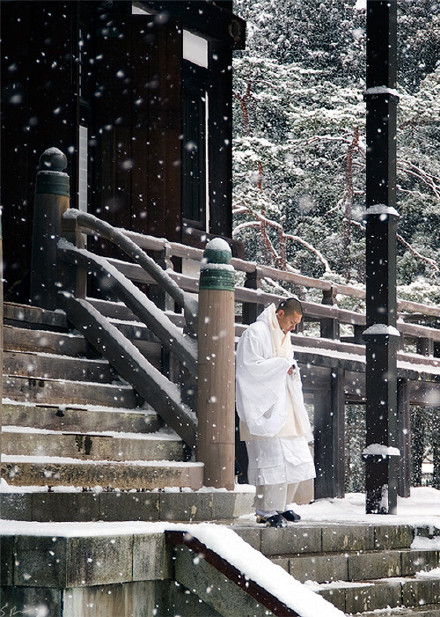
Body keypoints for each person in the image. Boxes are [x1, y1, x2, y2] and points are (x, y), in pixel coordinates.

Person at [236, 298, 315, 528]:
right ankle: (265, 509)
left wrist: (288, 369)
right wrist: (282, 366)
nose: (293, 328)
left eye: (296, 324)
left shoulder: (284, 334)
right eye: (292, 322)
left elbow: (283, 364)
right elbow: (249, 369)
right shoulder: (256, 332)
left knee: (295, 456)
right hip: (265, 408)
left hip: (285, 405)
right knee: (272, 459)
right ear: (280, 313)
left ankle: (281, 506)